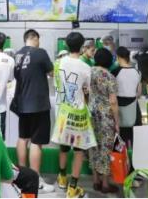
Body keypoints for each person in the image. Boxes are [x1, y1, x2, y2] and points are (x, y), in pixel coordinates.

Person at [12, 29, 55, 194]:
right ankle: (35, 179)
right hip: (38, 104)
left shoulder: (17, 55)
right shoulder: (40, 52)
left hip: (22, 103)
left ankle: (22, 176)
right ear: (35, 39)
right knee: (37, 142)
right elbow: (52, 72)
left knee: (23, 138)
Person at [53, 32, 93, 198]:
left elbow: (56, 84)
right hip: (79, 113)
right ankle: (73, 188)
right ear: (82, 46)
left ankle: (62, 178)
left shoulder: (58, 63)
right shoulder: (85, 67)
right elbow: (88, 90)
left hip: (63, 112)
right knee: (78, 151)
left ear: (66, 45)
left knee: (63, 148)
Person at [88, 48, 120, 194]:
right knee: (106, 148)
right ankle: (105, 184)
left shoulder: (89, 72)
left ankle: (95, 181)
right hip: (105, 116)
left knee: (93, 146)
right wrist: (117, 122)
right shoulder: (109, 76)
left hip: (91, 114)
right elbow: (113, 102)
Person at [112, 47, 142, 180]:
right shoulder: (137, 71)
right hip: (134, 110)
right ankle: (134, 172)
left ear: (118, 57)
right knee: (135, 143)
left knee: (119, 142)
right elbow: (139, 93)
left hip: (119, 110)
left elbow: (111, 94)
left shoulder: (115, 71)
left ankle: (120, 172)